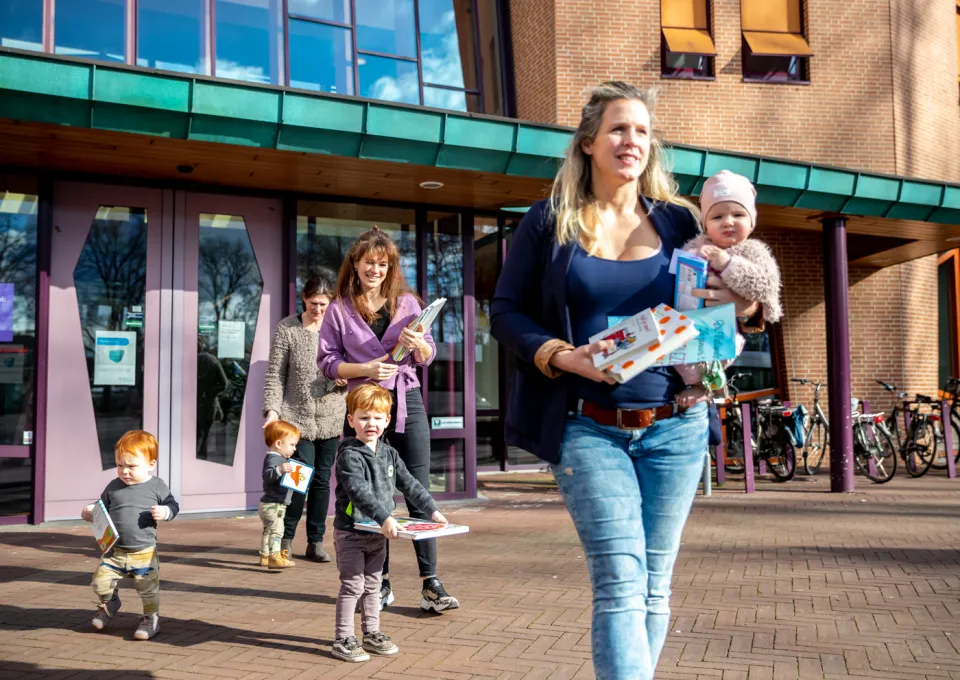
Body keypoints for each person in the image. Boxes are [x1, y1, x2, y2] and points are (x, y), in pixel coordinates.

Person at [489, 81, 764, 680]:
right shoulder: (548, 221)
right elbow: (505, 312)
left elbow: (734, 296)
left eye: (642, 130)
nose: (631, 140)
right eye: (618, 128)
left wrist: (740, 305)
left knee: (654, 583)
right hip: (587, 427)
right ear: (589, 142)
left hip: (676, 424)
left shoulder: (679, 220)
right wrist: (564, 356)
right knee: (620, 579)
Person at [317, 227, 459, 613]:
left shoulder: (409, 303)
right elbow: (327, 363)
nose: (375, 270)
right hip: (365, 405)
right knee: (372, 494)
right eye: (369, 263)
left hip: (406, 402)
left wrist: (421, 345)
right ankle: (379, 580)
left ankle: (431, 582)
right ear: (355, 264)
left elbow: (426, 357)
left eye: (383, 264)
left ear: (391, 267)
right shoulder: (339, 309)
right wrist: (365, 368)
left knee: (417, 488)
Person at [330, 384, 448, 663]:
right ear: (351, 420)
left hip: (378, 535)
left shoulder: (389, 453)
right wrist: (385, 517)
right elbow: (359, 492)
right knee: (352, 586)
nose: (371, 423)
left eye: (377, 417)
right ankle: (343, 638)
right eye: (363, 417)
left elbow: (410, 484)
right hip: (351, 533)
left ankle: (372, 633)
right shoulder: (349, 455)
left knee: (373, 585)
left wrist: (432, 510)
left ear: (387, 420)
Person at [675, 170, 783, 407]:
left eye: (738, 214)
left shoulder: (753, 251)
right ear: (705, 225)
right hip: (692, 322)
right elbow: (678, 268)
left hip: (725, 327)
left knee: (717, 352)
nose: (728, 222)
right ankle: (697, 385)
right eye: (717, 217)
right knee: (684, 355)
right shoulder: (698, 244)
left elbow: (765, 284)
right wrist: (694, 256)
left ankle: (705, 386)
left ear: (752, 222)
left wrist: (728, 264)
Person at [263, 272, 347, 564]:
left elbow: (351, 367)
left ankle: (315, 542)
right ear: (304, 299)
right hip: (296, 418)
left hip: (331, 416)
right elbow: (275, 375)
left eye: (324, 304)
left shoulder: (339, 330)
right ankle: (285, 539)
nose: (318, 310)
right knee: (300, 477)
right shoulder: (287, 328)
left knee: (322, 480)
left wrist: (344, 378)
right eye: (314, 304)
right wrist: (272, 410)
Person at [80, 430, 179, 641]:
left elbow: (173, 505)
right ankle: (110, 602)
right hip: (114, 551)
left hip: (144, 553)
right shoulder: (113, 486)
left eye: (132, 466)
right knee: (99, 582)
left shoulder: (156, 485)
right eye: (120, 465)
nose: (124, 471)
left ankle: (151, 619)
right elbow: (101, 507)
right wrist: (90, 510)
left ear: (151, 464)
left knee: (147, 589)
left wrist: (165, 512)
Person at [258, 420, 301, 569]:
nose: (294, 449)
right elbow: (267, 476)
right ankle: (275, 557)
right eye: (292, 445)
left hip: (269, 503)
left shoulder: (277, 458)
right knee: (277, 531)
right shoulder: (275, 459)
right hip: (274, 504)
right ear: (278, 444)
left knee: (268, 531)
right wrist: (280, 469)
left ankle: (265, 555)